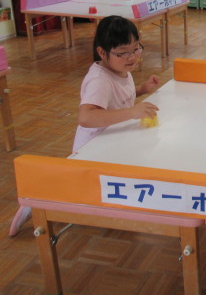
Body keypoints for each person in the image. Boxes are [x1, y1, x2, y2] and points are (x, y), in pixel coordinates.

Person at [8, 15, 160, 237]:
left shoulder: (119, 69)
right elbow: (86, 117)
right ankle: (35, 200)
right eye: (123, 52)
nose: (132, 57)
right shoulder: (99, 80)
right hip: (92, 149)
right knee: (74, 192)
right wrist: (131, 112)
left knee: (93, 187)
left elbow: (119, 96)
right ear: (102, 52)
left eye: (136, 48)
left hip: (111, 141)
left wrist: (142, 89)